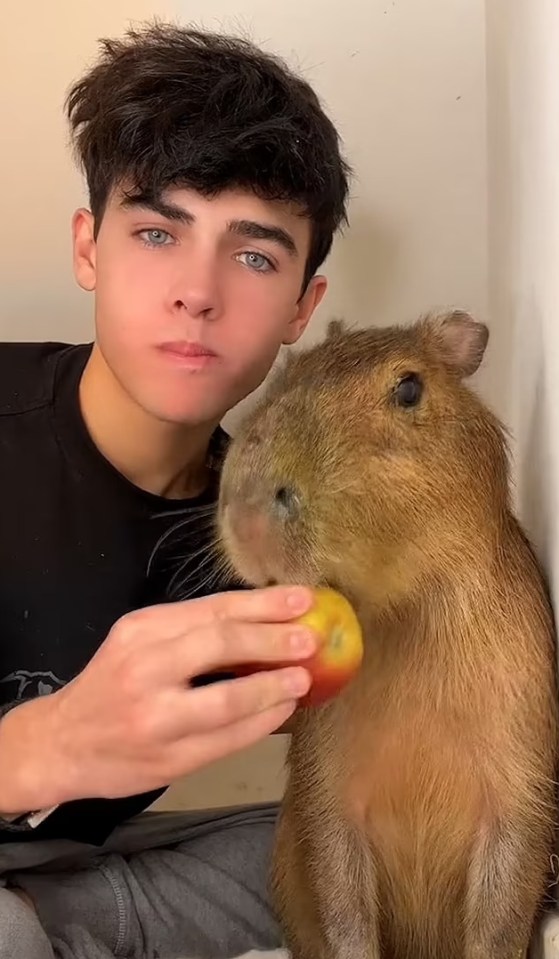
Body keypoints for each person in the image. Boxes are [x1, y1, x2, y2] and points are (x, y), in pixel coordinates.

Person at [0, 19, 350, 959]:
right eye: (157, 231)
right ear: (89, 249)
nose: (197, 291)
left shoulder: (268, 541)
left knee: (341, 856)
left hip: (64, 861)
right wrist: (42, 745)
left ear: (301, 308)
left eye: (253, 255)